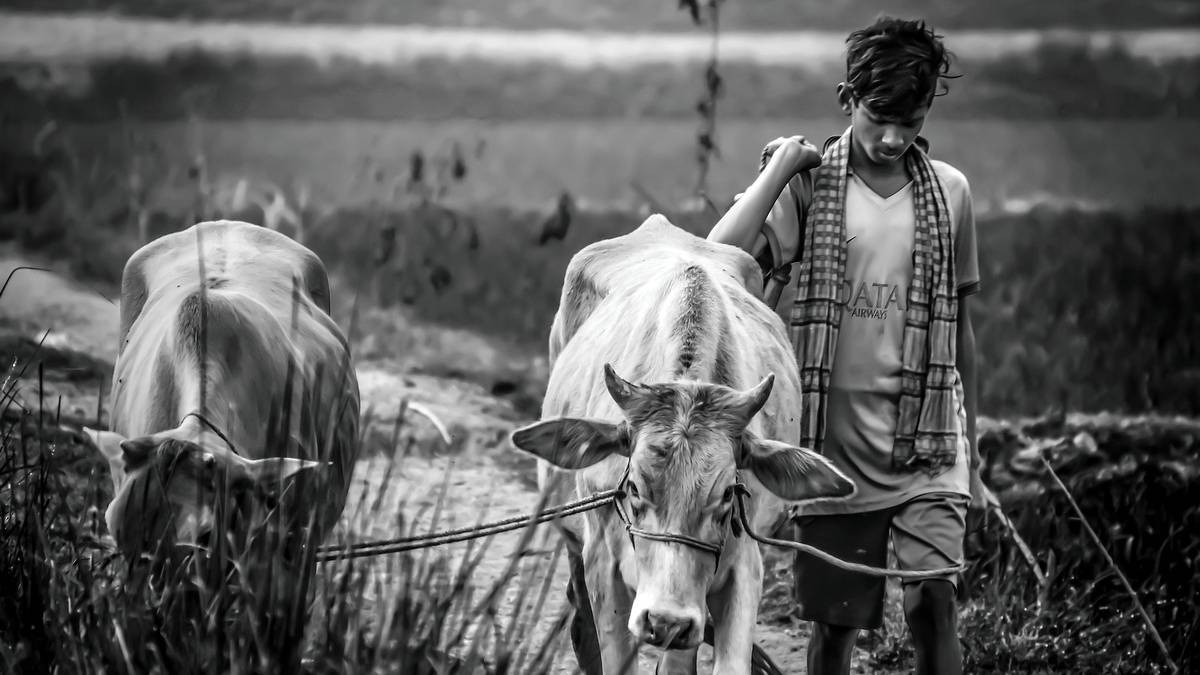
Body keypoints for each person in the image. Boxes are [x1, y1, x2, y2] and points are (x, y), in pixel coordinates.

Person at [707, 16, 986, 675]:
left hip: (928, 442)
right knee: (835, 627)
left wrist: (976, 447)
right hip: (831, 454)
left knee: (933, 602)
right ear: (847, 99)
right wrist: (780, 168)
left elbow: (961, 326)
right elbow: (720, 255)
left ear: (926, 114)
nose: (892, 138)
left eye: (910, 121)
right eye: (876, 116)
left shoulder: (951, 194)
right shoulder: (811, 187)